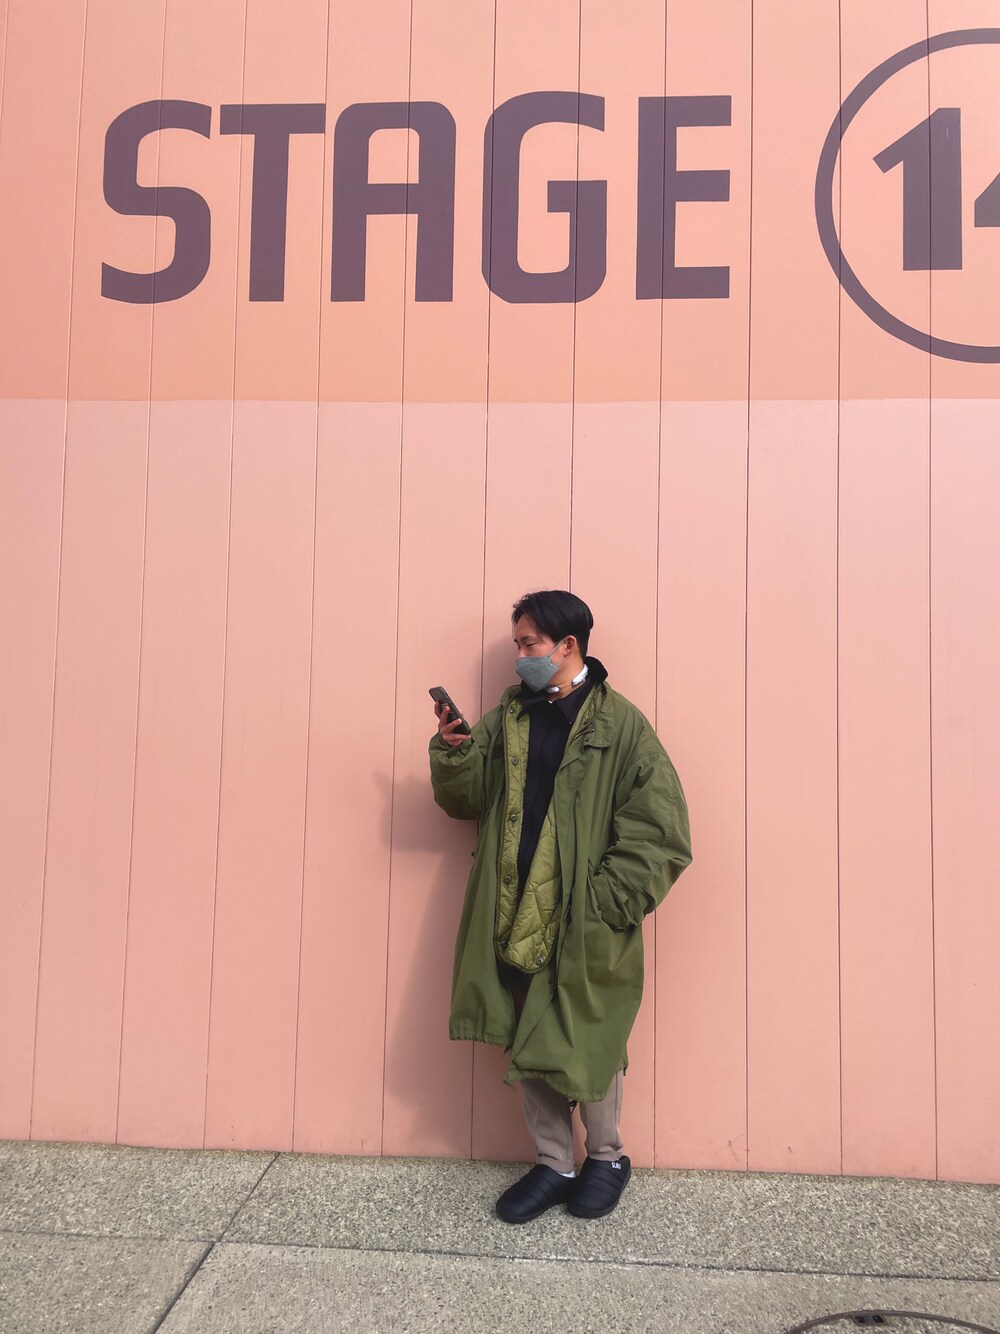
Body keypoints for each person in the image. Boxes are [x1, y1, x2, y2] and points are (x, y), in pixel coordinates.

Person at [428, 590, 692, 1223]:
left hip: (585, 917)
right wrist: (456, 751)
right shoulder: (510, 716)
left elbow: (661, 830)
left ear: (568, 645)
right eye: (518, 645)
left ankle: (607, 1158)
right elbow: (468, 800)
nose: (520, 656)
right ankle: (554, 1163)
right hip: (512, 907)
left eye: (530, 644)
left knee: (591, 1032)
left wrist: (606, 901)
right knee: (527, 1030)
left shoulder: (620, 725)